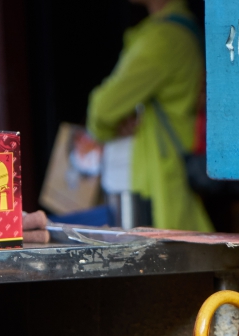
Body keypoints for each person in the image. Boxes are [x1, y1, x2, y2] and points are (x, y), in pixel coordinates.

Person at [86, 0, 212, 232]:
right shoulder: (182, 28)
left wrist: (104, 128)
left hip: (160, 182)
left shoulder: (164, 37)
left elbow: (101, 109)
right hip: (170, 175)